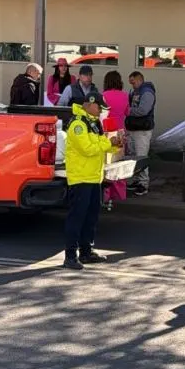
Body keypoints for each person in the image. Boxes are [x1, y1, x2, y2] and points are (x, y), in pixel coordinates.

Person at [62, 93, 121, 270]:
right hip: (80, 178)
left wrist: (114, 144)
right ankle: (70, 256)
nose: (101, 111)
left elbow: (101, 144)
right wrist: (107, 143)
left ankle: (86, 252)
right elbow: (88, 149)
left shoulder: (93, 123)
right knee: (77, 218)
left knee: (91, 217)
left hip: (94, 177)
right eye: (99, 107)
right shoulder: (78, 125)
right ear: (89, 104)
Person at [125, 71, 156, 196]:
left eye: (133, 82)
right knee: (134, 156)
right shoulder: (136, 91)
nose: (131, 85)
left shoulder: (147, 92)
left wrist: (128, 111)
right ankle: (138, 180)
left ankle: (143, 184)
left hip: (142, 129)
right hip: (134, 128)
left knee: (141, 156)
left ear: (139, 80)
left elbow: (143, 110)